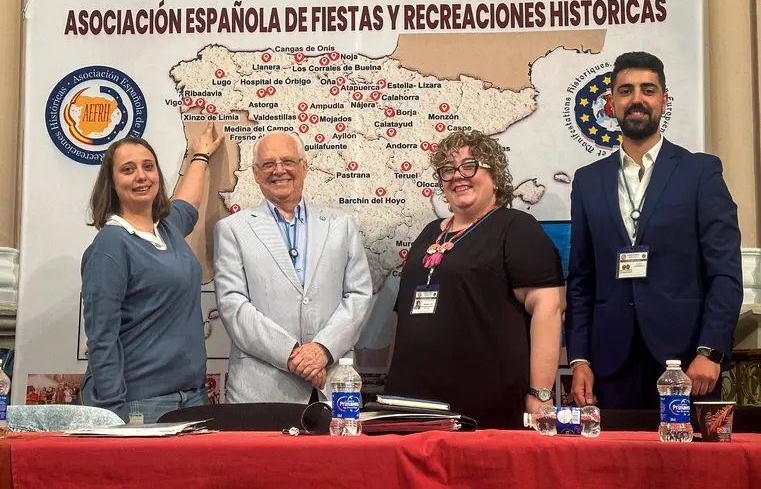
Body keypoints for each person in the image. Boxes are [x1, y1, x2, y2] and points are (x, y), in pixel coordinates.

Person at [566, 51, 743, 410]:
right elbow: (582, 280)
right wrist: (579, 359)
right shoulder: (587, 181)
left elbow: (725, 272)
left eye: (648, 90)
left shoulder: (700, 172)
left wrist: (710, 349)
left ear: (664, 99)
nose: (637, 100)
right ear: (610, 102)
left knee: (693, 466)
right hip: (611, 366)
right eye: (626, 90)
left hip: (689, 364)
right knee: (616, 465)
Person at [383, 130, 566, 429]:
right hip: (410, 402)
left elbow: (549, 308)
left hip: (484, 403)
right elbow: (402, 314)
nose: (458, 176)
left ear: (494, 175)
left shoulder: (516, 228)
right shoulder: (429, 233)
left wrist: (540, 393)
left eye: (470, 166)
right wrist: (391, 384)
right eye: (448, 170)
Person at [213, 131, 373, 403]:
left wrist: (322, 350)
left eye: (288, 161)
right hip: (260, 392)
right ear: (254, 172)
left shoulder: (340, 225)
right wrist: (293, 356)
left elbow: (358, 296)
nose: (279, 170)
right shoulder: (232, 229)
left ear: (304, 167)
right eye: (268, 164)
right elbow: (233, 305)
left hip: (331, 386)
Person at [81, 124, 224, 423]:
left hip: (193, 396)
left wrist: (200, 155)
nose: (141, 176)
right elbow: (101, 338)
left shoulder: (168, 228)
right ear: (112, 182)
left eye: (148, 166)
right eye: (128, 169)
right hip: (140, 405)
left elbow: (189, 202)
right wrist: (113, 415)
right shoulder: (111, 245)